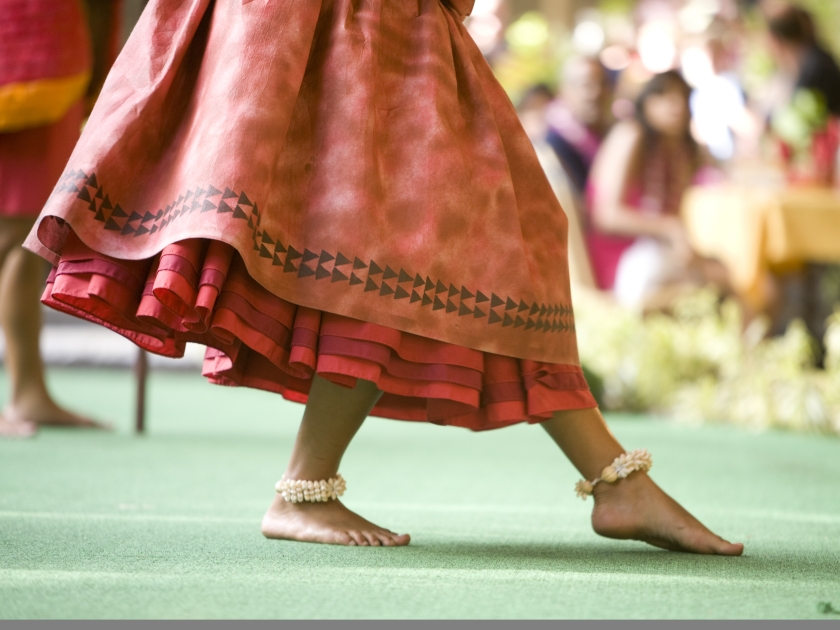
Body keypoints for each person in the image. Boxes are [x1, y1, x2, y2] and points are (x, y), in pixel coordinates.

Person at [23, 0, 742, 554]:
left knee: (475, 231)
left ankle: (615, 479)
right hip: (347, 25)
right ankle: (307, 491)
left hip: (373, 25)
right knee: (406, 238)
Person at [0, 0, 110, 437]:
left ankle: (29, 390)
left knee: (29, 235)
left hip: (55, 54)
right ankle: (26, 391)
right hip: (27, 51)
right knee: (16, 235)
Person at [587, 70, 729, 310]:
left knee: (724, 275)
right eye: (664, 96)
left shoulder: (681, 149)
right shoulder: (631, 135)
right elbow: (606, 215)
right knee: (717, 280)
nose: (676, 105)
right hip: (620, 258)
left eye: (682, 96)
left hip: (655, 252)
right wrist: (669, 228)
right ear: (646, 103)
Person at [545, 57, 613, 199]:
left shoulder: (609, 133)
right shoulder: (553, 144)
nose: (596, 92)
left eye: (602, 84)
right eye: (586, 85)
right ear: (564, 90)